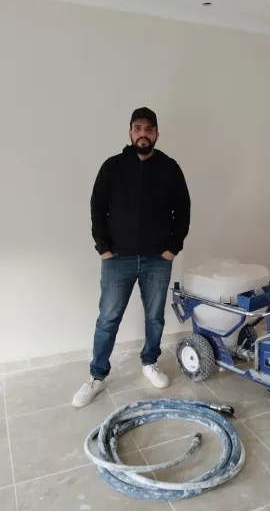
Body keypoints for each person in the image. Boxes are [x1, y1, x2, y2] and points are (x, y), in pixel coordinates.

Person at [72, 107, 191, 407]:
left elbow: (183, 210)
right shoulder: (112, 166)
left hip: (157, 260)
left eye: (149, 129)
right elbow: (97, 208)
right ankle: (97, 376)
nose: (143, 134)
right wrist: (103, 248)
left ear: (156, 134)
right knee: (108, 318)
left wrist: (172, 248)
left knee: (155, 317)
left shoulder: (170, 168)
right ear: (130, 132)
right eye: (137, 128)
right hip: (117, 260)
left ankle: (150, 362)